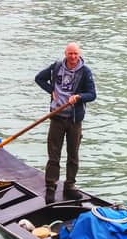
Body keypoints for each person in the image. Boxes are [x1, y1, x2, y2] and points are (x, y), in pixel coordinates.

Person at [35, 42, 96, 203]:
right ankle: (51, 186)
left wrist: (79, 97)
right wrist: (51, 91)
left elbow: (92, 94)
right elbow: (39, 79)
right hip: (57, 118)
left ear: (79, 54)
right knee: (54, 154)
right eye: (70, 54)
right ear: (65, 53)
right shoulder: (56, 67)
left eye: (76, 54)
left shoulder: (85, 72)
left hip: (74, 120)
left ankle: (70, 185)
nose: (73, 57)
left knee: (73, 154)